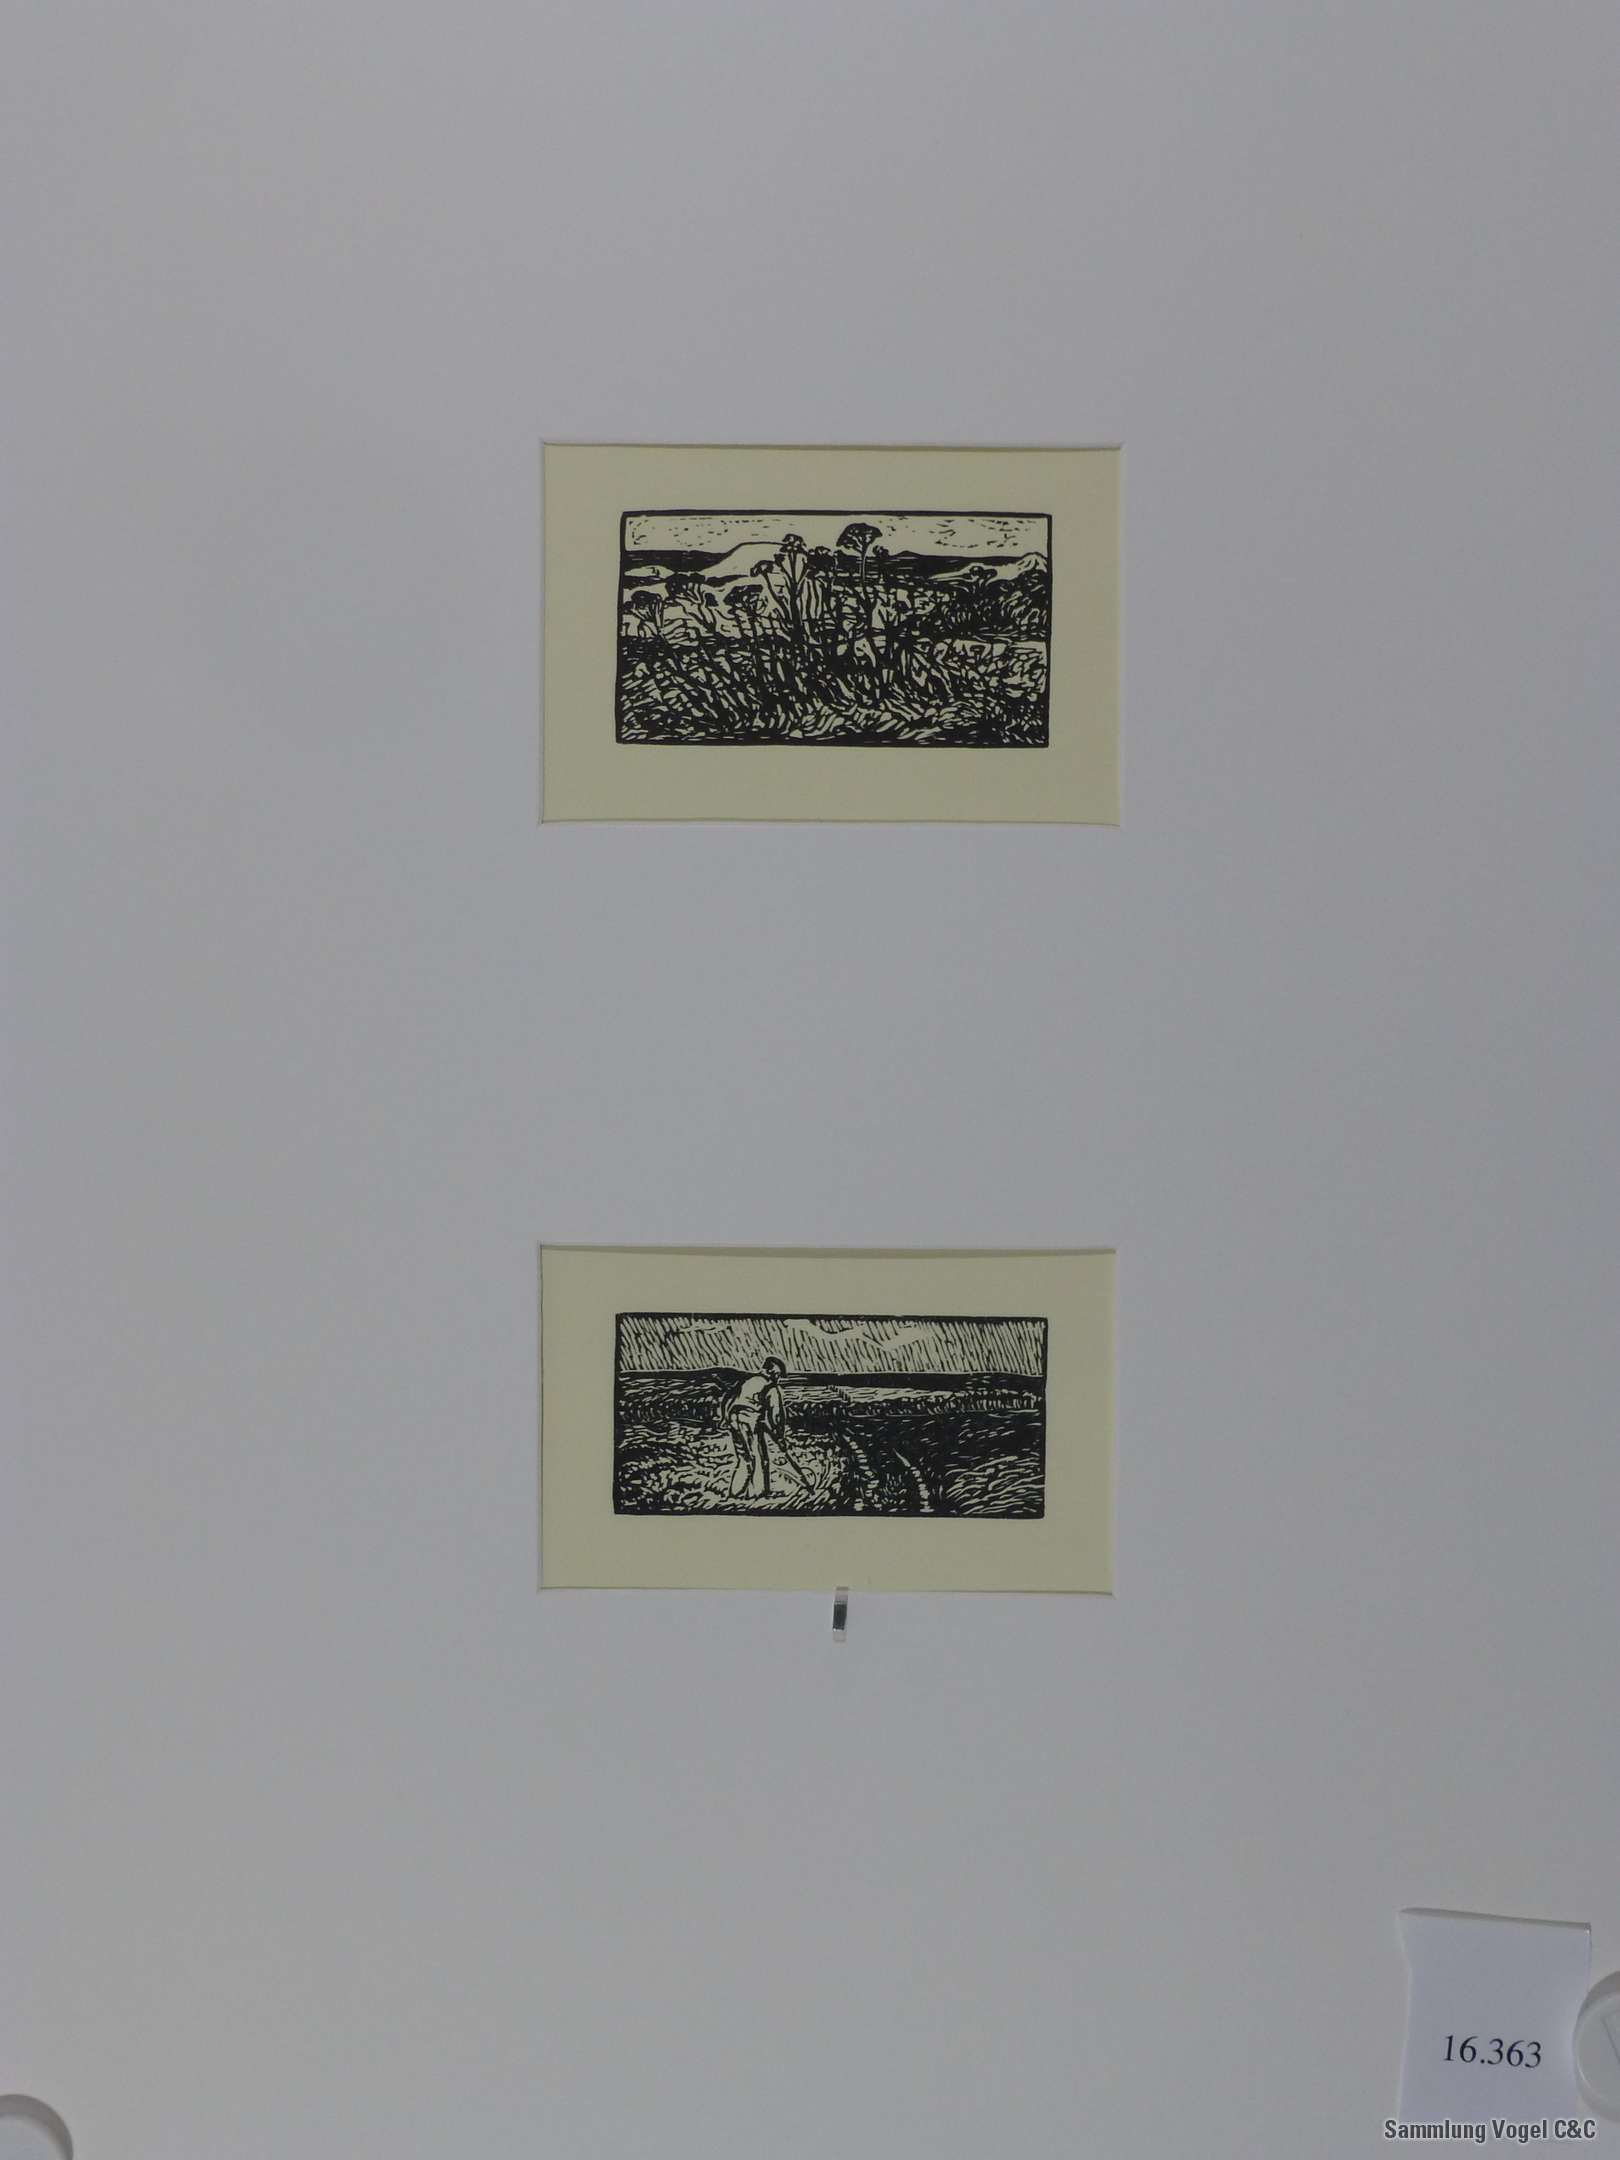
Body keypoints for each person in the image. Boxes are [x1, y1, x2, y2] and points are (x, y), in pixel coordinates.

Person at [725, 1357, 788, 1501]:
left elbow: (729, 1399)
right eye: (777, 1375)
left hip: (735, 1420)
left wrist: (727, 1418)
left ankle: (736, 1493)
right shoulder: (771, 1387)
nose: (778, 1378)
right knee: (759, 1458)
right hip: (750, 1422)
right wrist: (780, 1437)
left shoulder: (748, 1381)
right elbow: (776, 1416)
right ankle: (758, 1494)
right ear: (770, 1371)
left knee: (744, 1458)